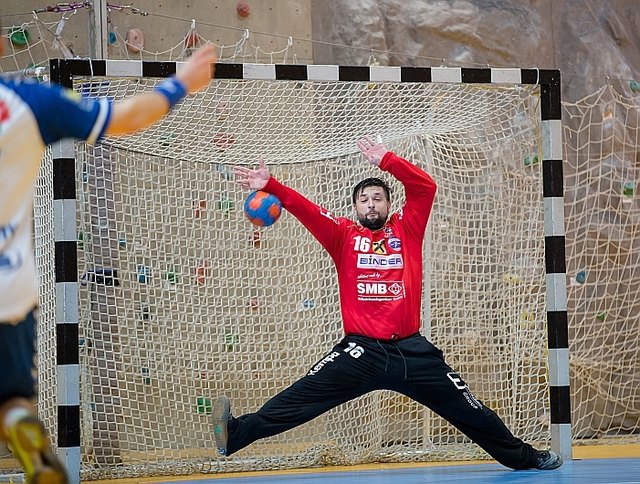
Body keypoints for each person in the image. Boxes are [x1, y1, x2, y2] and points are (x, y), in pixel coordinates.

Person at [215, 135, 563, 472]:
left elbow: (425, 187)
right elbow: (307, 210)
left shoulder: (407, 228)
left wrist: (387, 160)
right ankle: (235, 436)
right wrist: (272, 185)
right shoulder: (342, 236)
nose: (371, 203)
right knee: (300, 398)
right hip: (360, 353)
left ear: (388, 204)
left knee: (472, 411)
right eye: (364, 199)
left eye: (378, 198)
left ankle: (525, 458)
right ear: (355, 207)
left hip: (413, 353)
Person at [0, 26, 217, 483]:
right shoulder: (30, 102)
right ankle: (25, 433)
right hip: (9, 289)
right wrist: (182, 81)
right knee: (13, 401)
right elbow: (128, 117)